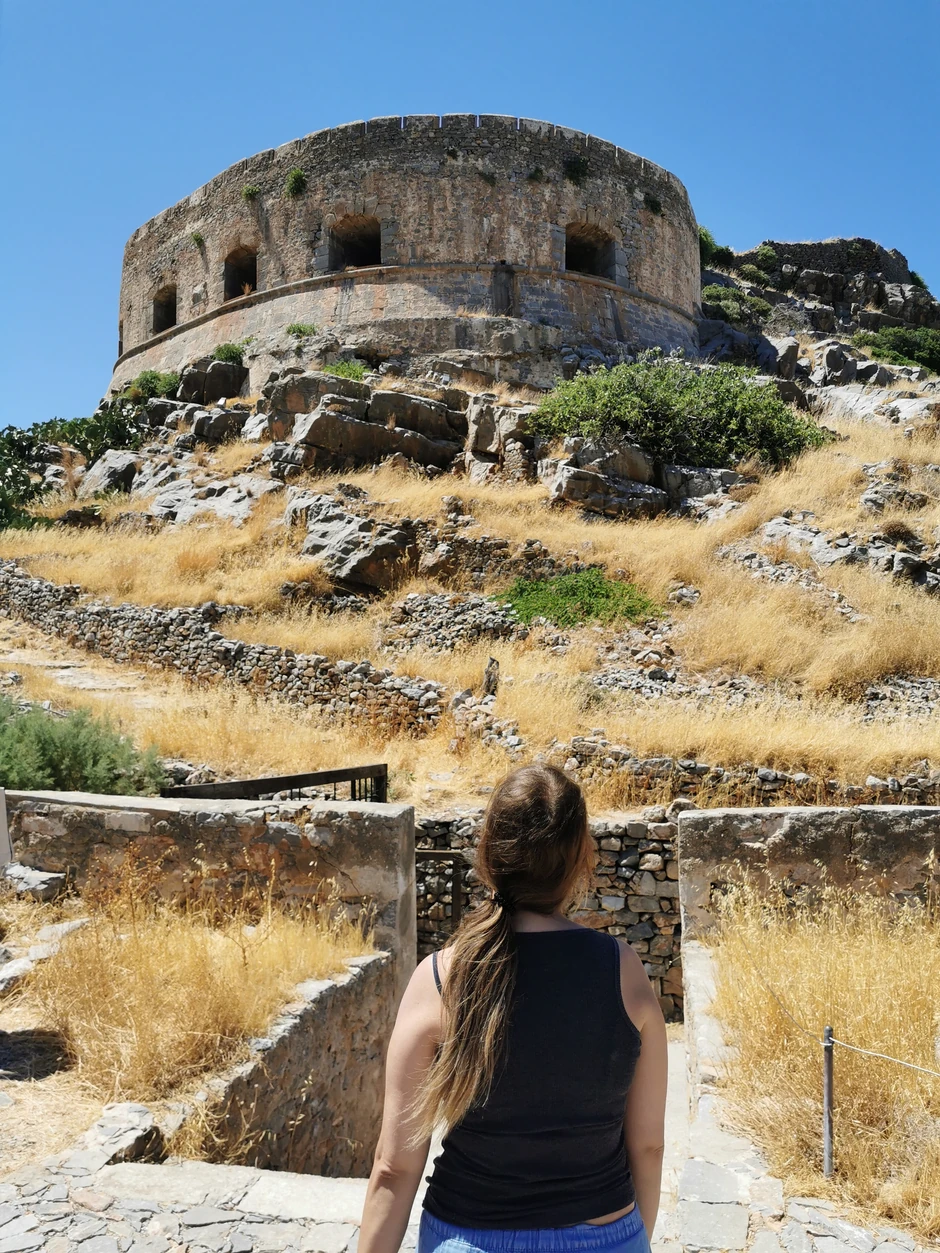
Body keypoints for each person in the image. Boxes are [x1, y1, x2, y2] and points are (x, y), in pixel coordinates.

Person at [357, 764, 668, 1253]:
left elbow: (395, 1167)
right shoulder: (622, 970)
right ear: (581, 857)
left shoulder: (441, 978)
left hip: (467, 1235)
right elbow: (648, 1147)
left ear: (488, 852)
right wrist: (634, 1240)